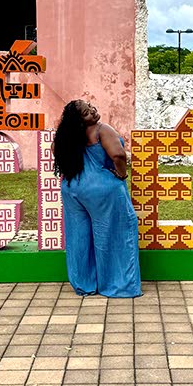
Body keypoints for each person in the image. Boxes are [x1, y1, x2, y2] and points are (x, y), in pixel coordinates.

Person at [52, 100, 142, 298]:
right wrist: (121, 174)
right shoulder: (102, 129)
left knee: (79, 237)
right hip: (102, 189)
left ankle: (84, 284)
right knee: (115, 233)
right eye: (86, 113)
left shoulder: (67, 137)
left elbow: (56, 152)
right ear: (80, 121)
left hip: (72, 188)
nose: (93, 112)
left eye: (91, 107)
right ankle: (119, 285)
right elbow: (118, 154)